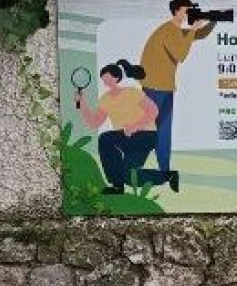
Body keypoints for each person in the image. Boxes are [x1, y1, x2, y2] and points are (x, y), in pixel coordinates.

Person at [138, 0, 216, 176]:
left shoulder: (175, 30)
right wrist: (194, 28)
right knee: (153, 129)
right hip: (155, 87)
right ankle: (140, 166)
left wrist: (214, 19)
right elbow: (181, 53)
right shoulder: (168, 31)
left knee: (162, 130)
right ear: (177, 12)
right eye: (187, 10)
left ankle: (163, 170)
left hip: (162, 86)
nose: (190, 13)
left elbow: (200, 35)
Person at [76, 60, 178, 194]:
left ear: (116, 77)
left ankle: (168, 175)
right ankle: (117, 186)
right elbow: (94, 123)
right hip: (124, 135)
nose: (105, 81)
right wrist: (82, 104)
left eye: (107, 77)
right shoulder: (105, 99)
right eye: (103, 78)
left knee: (129, 177)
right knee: (105, 139)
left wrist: (135, 126)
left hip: (145, 135)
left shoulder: (132, 92)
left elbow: (153, 111)